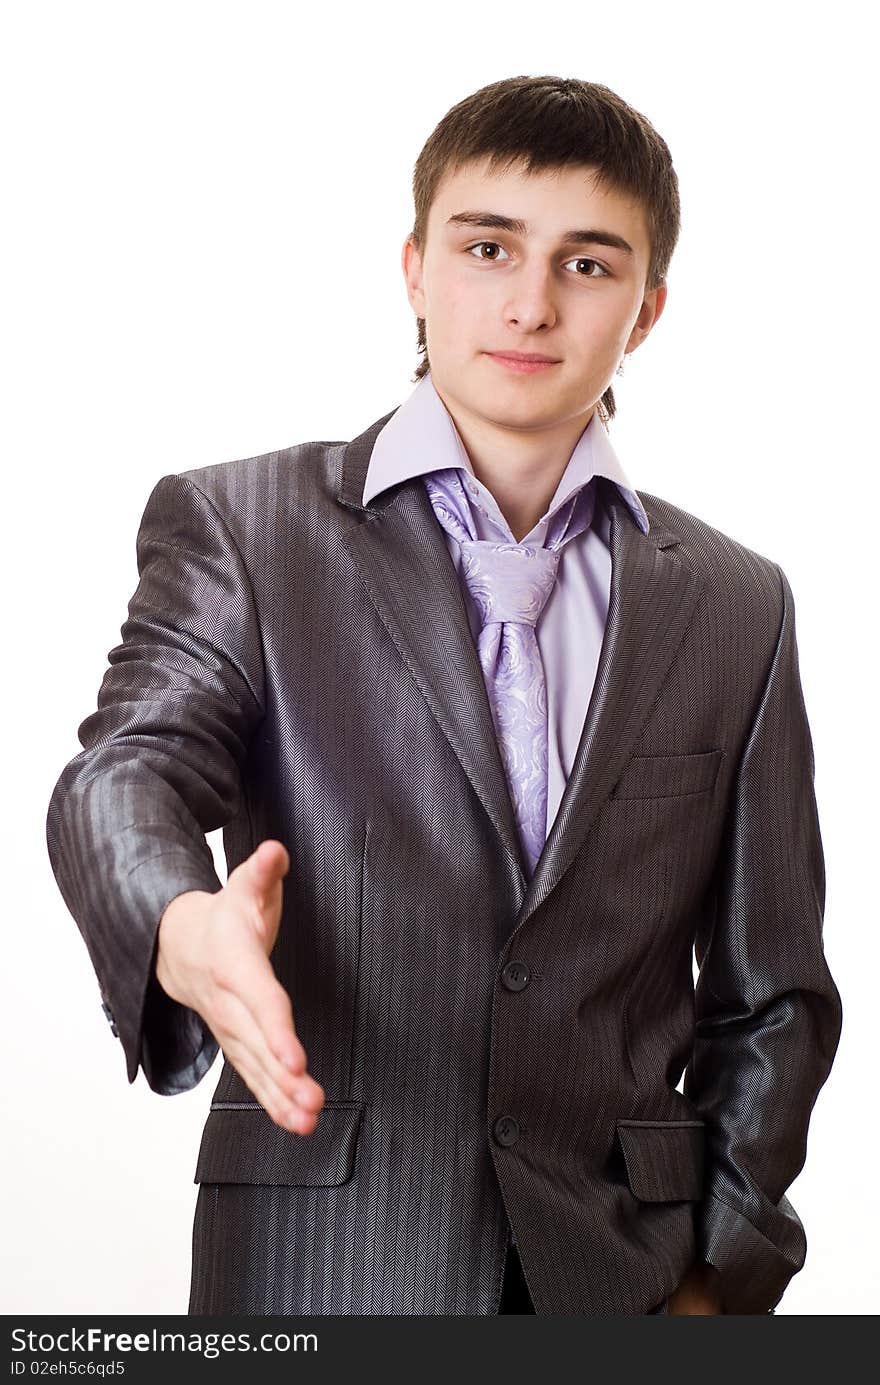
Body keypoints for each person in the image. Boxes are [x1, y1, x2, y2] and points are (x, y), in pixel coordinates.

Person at [45, 74, 842, 1316]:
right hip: (326, 1268)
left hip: (620, 1279)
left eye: (589, 264)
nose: (530, 303)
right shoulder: (247, 528)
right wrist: (176, 921)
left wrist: (717, 1279)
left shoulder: (739, 602)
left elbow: (774, 992)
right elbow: (125, 767)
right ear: (415, 269)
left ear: (648, 309)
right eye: (487, 248)